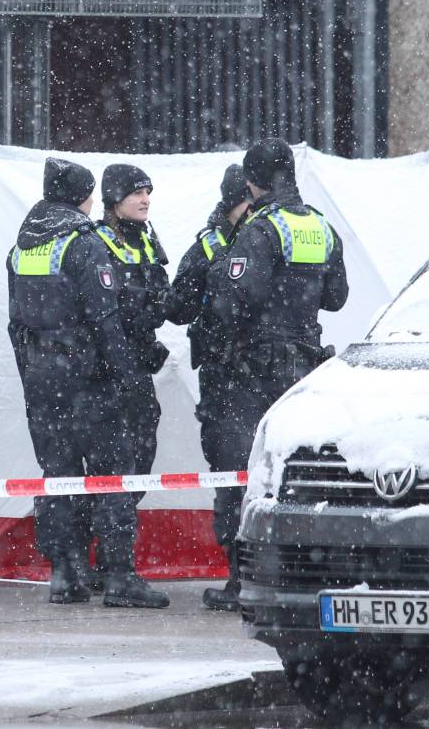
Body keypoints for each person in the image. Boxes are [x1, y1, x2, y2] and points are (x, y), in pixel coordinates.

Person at [7, 157, 170, 608]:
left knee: (58, 477)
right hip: (90, 381)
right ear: (82, 197)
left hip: (43, 385)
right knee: (111, 476)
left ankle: (65, 573)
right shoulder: (85, 244)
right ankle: (118, 577)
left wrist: (32, 377)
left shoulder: (23, 247)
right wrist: (128, 380)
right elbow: (105, 320)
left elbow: (15, 324)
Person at [204, 138, 349, 611]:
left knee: (243, 470)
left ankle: (242, 580)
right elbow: (336, 298)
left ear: (252, 181)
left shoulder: (259, 230)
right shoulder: (322, 228)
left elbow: (238, 299)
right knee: (300, 471)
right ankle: (303, 574)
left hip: (253, 369)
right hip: (304, 368)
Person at [161, 164, 254, 611]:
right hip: (224, 379)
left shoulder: (264, 238)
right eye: (249, 203)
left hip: (255, 378)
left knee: (250, 477)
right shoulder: (209, 245)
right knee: (232, 477)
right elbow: (176, 308)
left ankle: (257, 576)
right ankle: (239, 575)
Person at [88, 164, 170, 584]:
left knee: (139, 458)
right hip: (111, 371)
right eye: (136, 192)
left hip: (138, 367)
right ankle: (112, 565)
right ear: (114, 200)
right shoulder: (99, 242)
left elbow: (161, 295)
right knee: (116, 463)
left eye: (147, 191)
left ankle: (108, 555)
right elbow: (108, 309)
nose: (144, 199)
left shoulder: (148, 240)